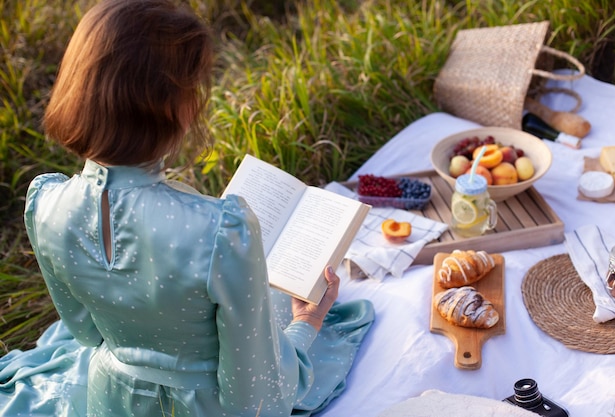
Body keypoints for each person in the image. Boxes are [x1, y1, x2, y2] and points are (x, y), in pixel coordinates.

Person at [1, 0, 374, 416]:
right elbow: (254, 399)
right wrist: (306, 326)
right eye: (193, 89)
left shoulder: (45, 203)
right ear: (167, 106)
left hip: (110, 399)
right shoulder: (220, 228)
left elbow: (86, 332)